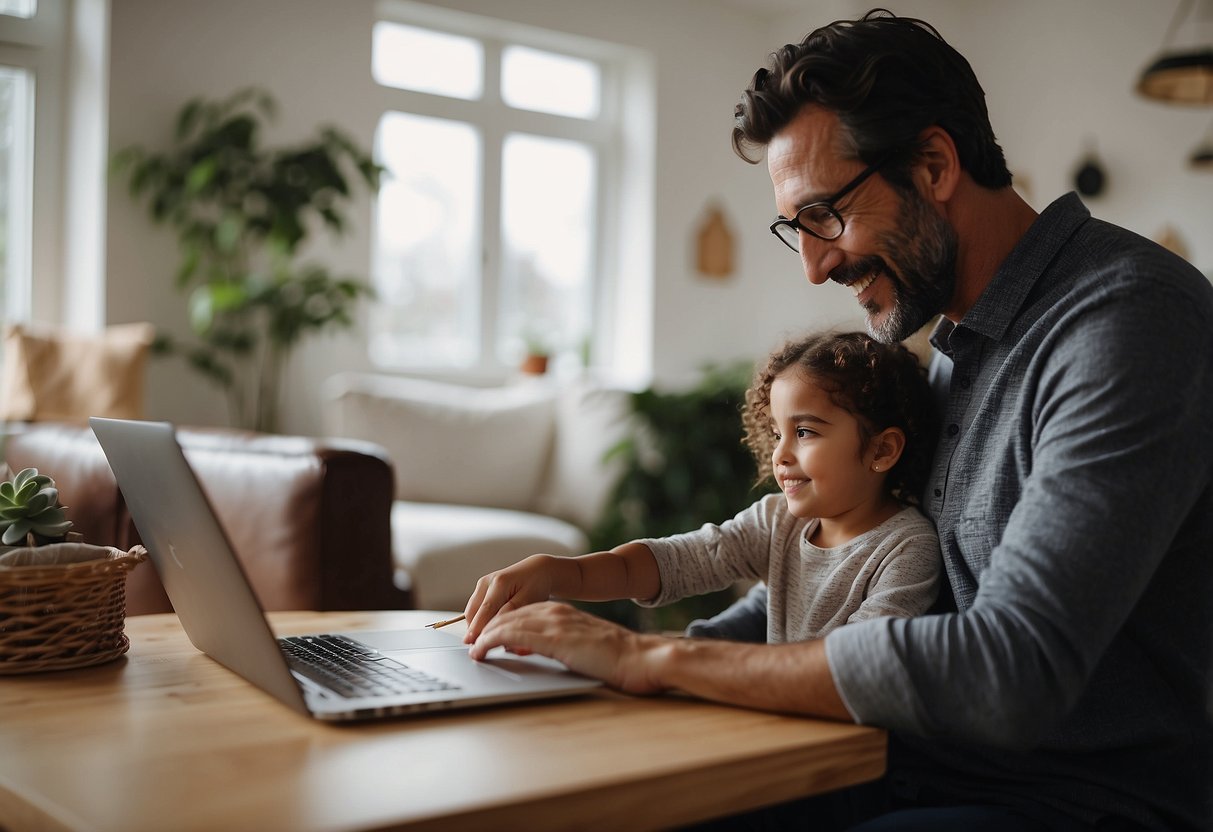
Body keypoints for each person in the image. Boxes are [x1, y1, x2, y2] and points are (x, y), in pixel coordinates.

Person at [466, 9, 1213, 831]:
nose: (815, 264)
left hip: (1078, 803)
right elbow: (829, 577)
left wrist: (658, 656)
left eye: (825, 215)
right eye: (798, 228)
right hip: (902, 764)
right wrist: (603, 667)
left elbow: (1012, 671)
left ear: (933, 165)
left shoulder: (1128, 323)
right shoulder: (957, 346)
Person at [464, 330, 941, 649]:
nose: (780, 454)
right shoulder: (777, 520)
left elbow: (852, 667)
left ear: (882, 451)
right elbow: (669, 564)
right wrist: (555, 572)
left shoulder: (907, 548)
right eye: (777, 433)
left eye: (807, 432)